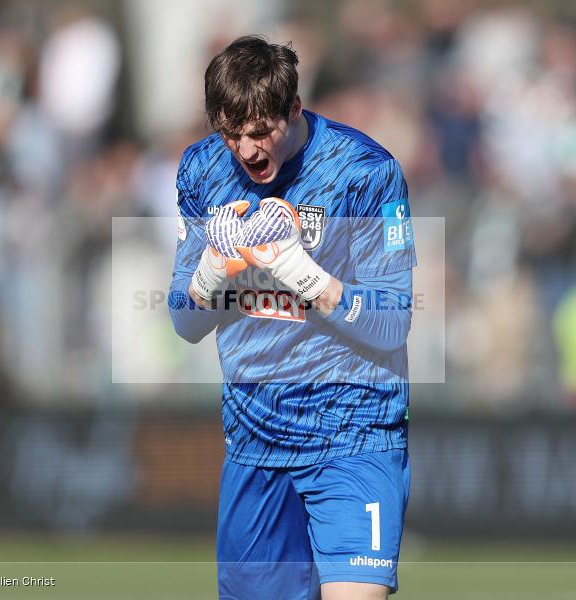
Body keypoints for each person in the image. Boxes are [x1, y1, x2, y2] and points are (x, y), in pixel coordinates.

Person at [168, 35, 415, 600]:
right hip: (255, 442)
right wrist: (210, 270)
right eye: (232, 134)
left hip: (354, 433)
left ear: (295, 109)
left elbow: (393, 319)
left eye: (260, 132)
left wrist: (302, 274)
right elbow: (185, 322)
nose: (247, 151)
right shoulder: (203, 171)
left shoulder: (364, 172)